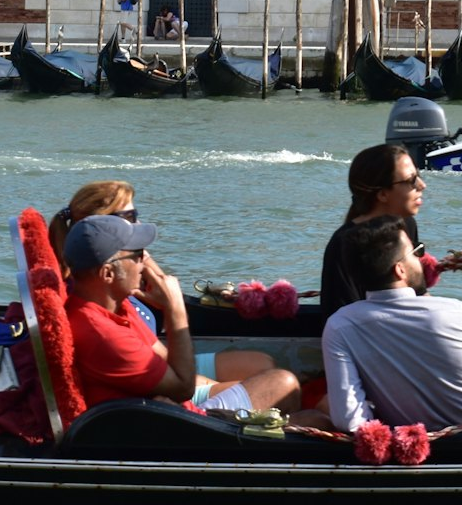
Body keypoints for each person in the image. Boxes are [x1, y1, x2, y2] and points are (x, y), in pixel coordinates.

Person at [50, 181, 280, 393]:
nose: (138, 224)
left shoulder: (122, 289)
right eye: (129, 217)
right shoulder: (101, 295)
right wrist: (174, 308)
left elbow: (165, 291)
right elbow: (180, 385)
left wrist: (137, 253)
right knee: (279, 384)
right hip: (154, 378)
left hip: (159, 364)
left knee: (263, 365)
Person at [63, 214, 301, 414]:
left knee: (265, 371)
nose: (144, 262)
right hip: (169, 426)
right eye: (137, 255)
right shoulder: (102, 334)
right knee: (285, 386)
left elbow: (166, 363)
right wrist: (175, 309)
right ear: (107, 274)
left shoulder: (115, 306)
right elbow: (183, 388)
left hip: (167, 407)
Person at [322, 215, 462, 432]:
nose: (421, 259)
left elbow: (350, 421)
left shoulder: (340, 326)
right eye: (415, 252)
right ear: (400, 270)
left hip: (405, 444)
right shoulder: (460, 311)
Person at [320, 144, 425, 318]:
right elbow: (339, 316)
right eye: (411, 180)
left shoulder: (407, 225)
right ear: (382, 194)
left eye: (419, 176)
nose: (422, 185)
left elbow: (418, 292)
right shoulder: (342, 243)